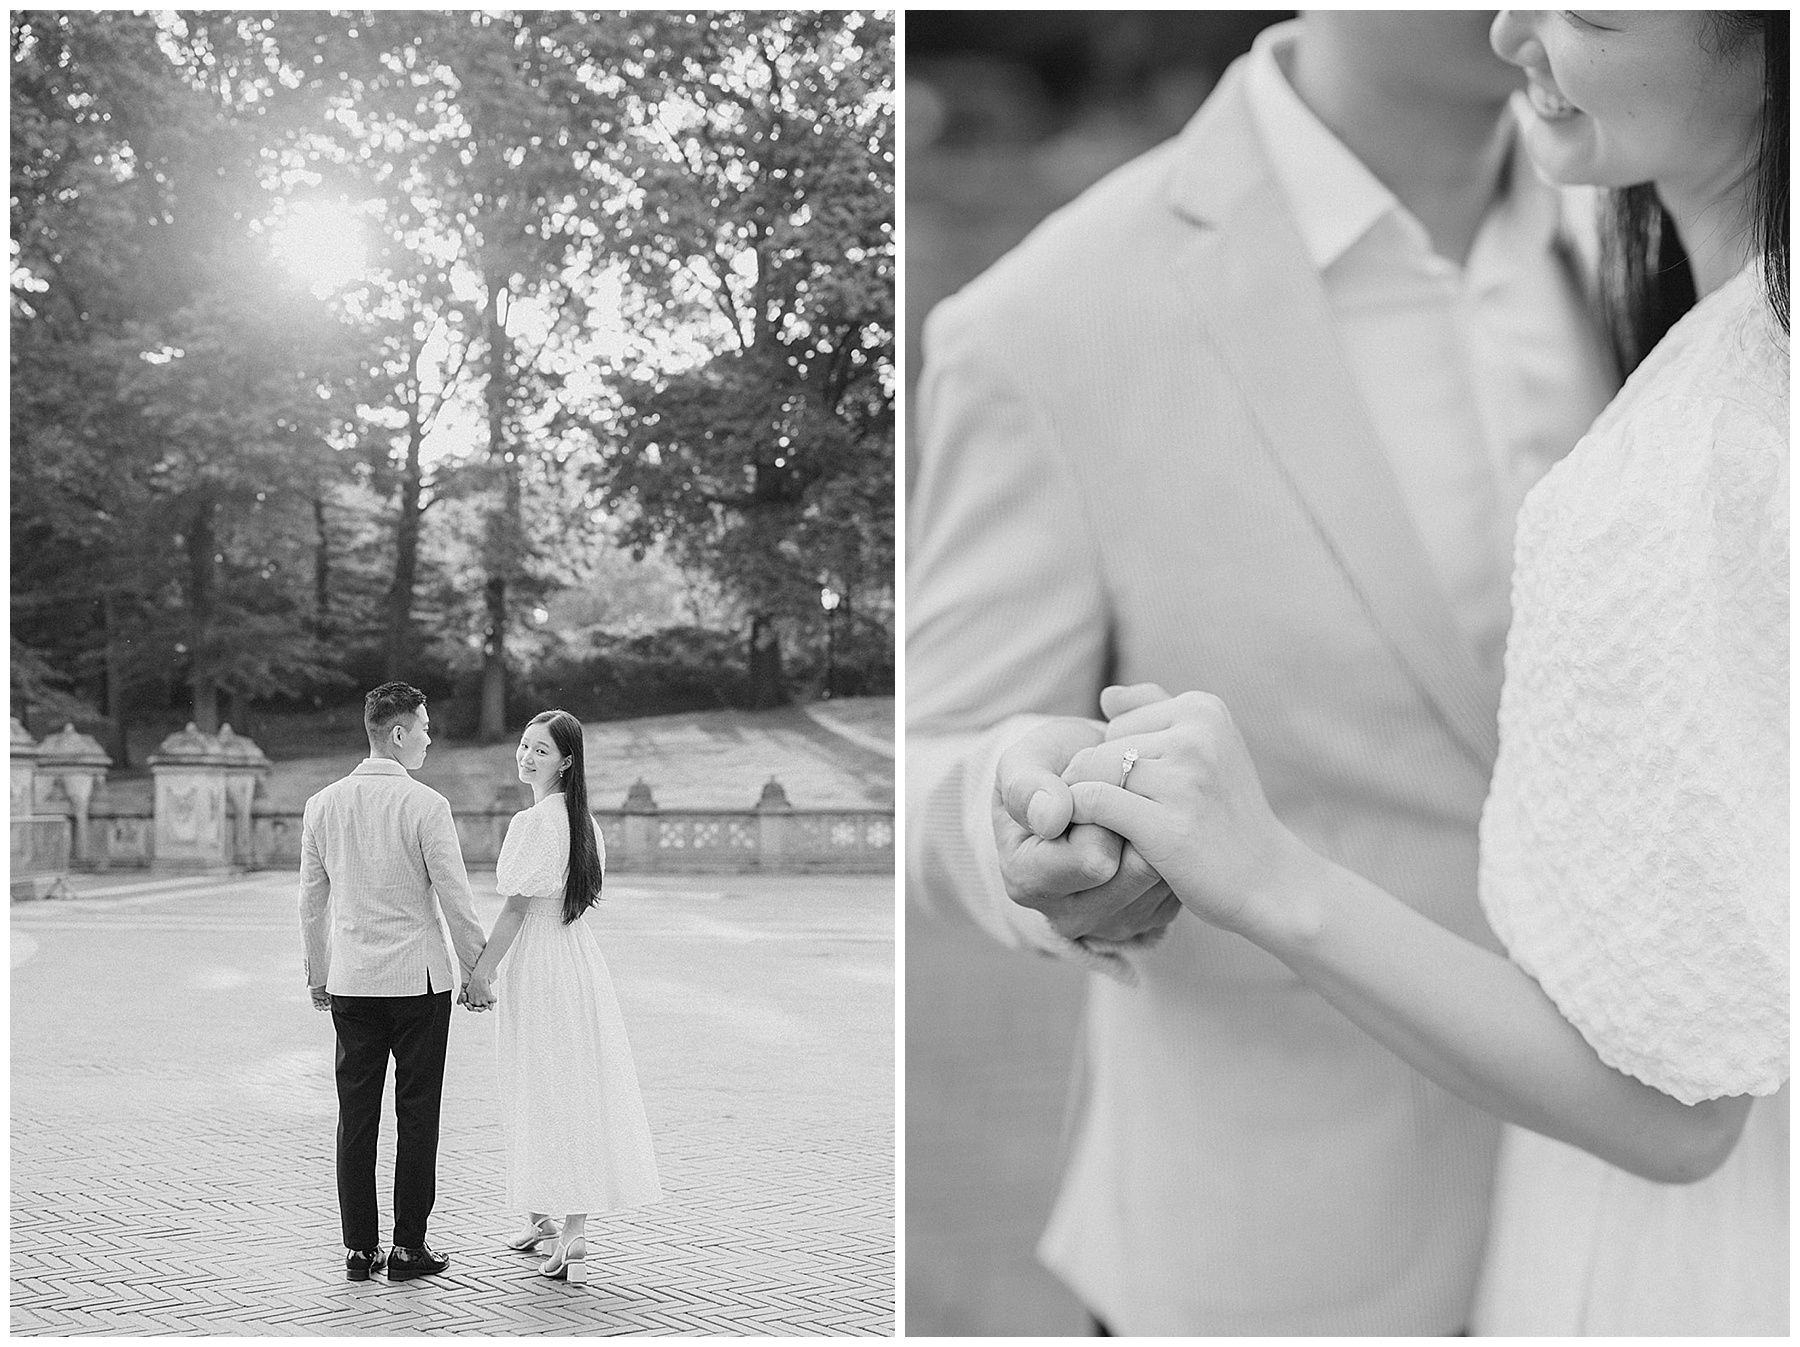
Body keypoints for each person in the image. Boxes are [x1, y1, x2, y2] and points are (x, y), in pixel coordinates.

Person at [1050, 10, 1787, 1335]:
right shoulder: (1709, 359)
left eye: (1590, 5)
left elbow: (1682, 1113)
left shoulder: (1708, 443)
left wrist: (1268, 873)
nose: (1511, 25)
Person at [908, 11, 1619, 1334]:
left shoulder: (1674, 211)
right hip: (1272, 1250)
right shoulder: (1047, 318)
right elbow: (937, 741)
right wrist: (1026, 802)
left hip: (1638, 1234)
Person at [461, 709, 661, 1285]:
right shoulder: (586, 823)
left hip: (539, 960)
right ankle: (553, 1220)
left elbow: (517, 908)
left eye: (540, 750)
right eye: (523, 746)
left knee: (537, 1084)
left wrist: (482, 972)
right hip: (577, 959)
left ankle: (562, 1226)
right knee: (572, 1083)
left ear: (565, 761)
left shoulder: (533, 824)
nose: (526, 756)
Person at [299, 681, 487, 1283]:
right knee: (417, 1114)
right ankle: (408, 1248)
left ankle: (358, 1249)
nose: (430, 739)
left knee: (355, 1116)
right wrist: (477, 971)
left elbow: (311, 903)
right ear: (398, 733)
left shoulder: (322, 805)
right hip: (419, 982)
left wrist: (317, 972)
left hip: (352, 981)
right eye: (424, 728)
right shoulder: (427, 806)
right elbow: (456, 899)